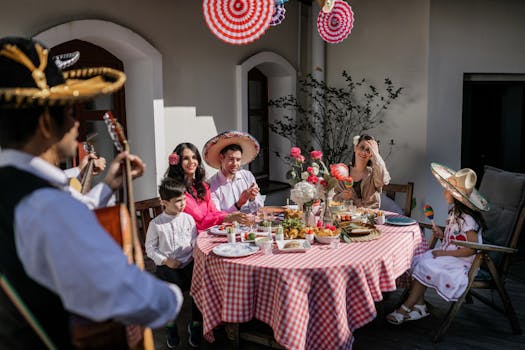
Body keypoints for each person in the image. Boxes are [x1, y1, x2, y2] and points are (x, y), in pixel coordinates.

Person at [0, 36, 183, 349]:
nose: (75, 124)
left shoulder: (23, 193)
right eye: (69, 113)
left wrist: (110, 185)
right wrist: (172, 297)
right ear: (46, 123)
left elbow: (71, 216)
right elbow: (131, 296)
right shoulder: (48, 206)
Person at [386, 164, 489, 325]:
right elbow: (456, 240)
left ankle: (405, 308)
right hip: (450, 255)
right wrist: (442, 236)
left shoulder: (468, 219)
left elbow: (471, 249)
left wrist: (443, 253)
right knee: (415, 260)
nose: (444, 192)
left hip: (462, 262)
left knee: (426, 265)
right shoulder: (455, 212)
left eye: (447, 189)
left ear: (456, 195)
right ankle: (420, 306)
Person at [145, 177, 202, 348]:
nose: (183, 203)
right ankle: (171, 326)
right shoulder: (156, 224)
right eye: (178, 201)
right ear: (164, 202)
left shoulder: (188, 219)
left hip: (188, 263)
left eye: (184, 199)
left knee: (198, 289)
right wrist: (166, 260)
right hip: (168, 268)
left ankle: (196, 324)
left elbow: (194, 240)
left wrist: (196, 250)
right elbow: (150, 249)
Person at [165, 142, 250, 231]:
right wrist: (227, 218)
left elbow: (213, 211)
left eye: (194, 157)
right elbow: (199, 222)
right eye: (185, 158)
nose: (191, 162)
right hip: (190, 238)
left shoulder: (203, 186)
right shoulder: (176, 192)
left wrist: (229, 216)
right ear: (178, 162)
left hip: (209, 232)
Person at [203, 130, 264, 214]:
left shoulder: (247, 175)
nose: (235, 164)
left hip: (251, 225)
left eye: (238, 160)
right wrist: (239, 204)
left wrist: (252, 198)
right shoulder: (212, 184)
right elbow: (217, 216)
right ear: (221, 157)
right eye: (231, 159)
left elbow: (259, 208)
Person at [333, 134, 391, 209]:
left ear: (372, 154)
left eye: (368, 150)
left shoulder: (375, 174)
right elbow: (333, 200)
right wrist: (342, 196)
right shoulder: (343, 172)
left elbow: (383, 180)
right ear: (355, 148)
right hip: (346, 218)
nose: (364, 152)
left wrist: (376, 154)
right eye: (362, 147)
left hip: (370, 218)